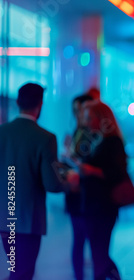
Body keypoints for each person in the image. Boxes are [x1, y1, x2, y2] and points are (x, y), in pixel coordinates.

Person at [0, 82, 79, 280]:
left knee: (16, 268)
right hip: (27, 221)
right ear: (40, 104)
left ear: (18, 102)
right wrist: (70, 182)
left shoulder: (2, 133)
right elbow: (52, 184)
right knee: (22, 273)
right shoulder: (45, 138)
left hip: (4, 219)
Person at [79, 101, 126, 280]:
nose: (87, 122)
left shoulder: (112, 141)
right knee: (98, 253)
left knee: (100, 253)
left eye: (90, 118)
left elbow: (118, 172)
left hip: (104, 205)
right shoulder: (95, 140)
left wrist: (92, 171)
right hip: (91, 204)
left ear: (101, 118)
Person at [64, 94, 94, 280]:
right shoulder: (77, 132)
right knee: (79, 241)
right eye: (75, 110)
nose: (77, 114)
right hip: (76, 196)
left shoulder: (94, 134)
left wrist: (69, 157)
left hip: (90, 196)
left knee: (95, 245)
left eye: (80, 110)